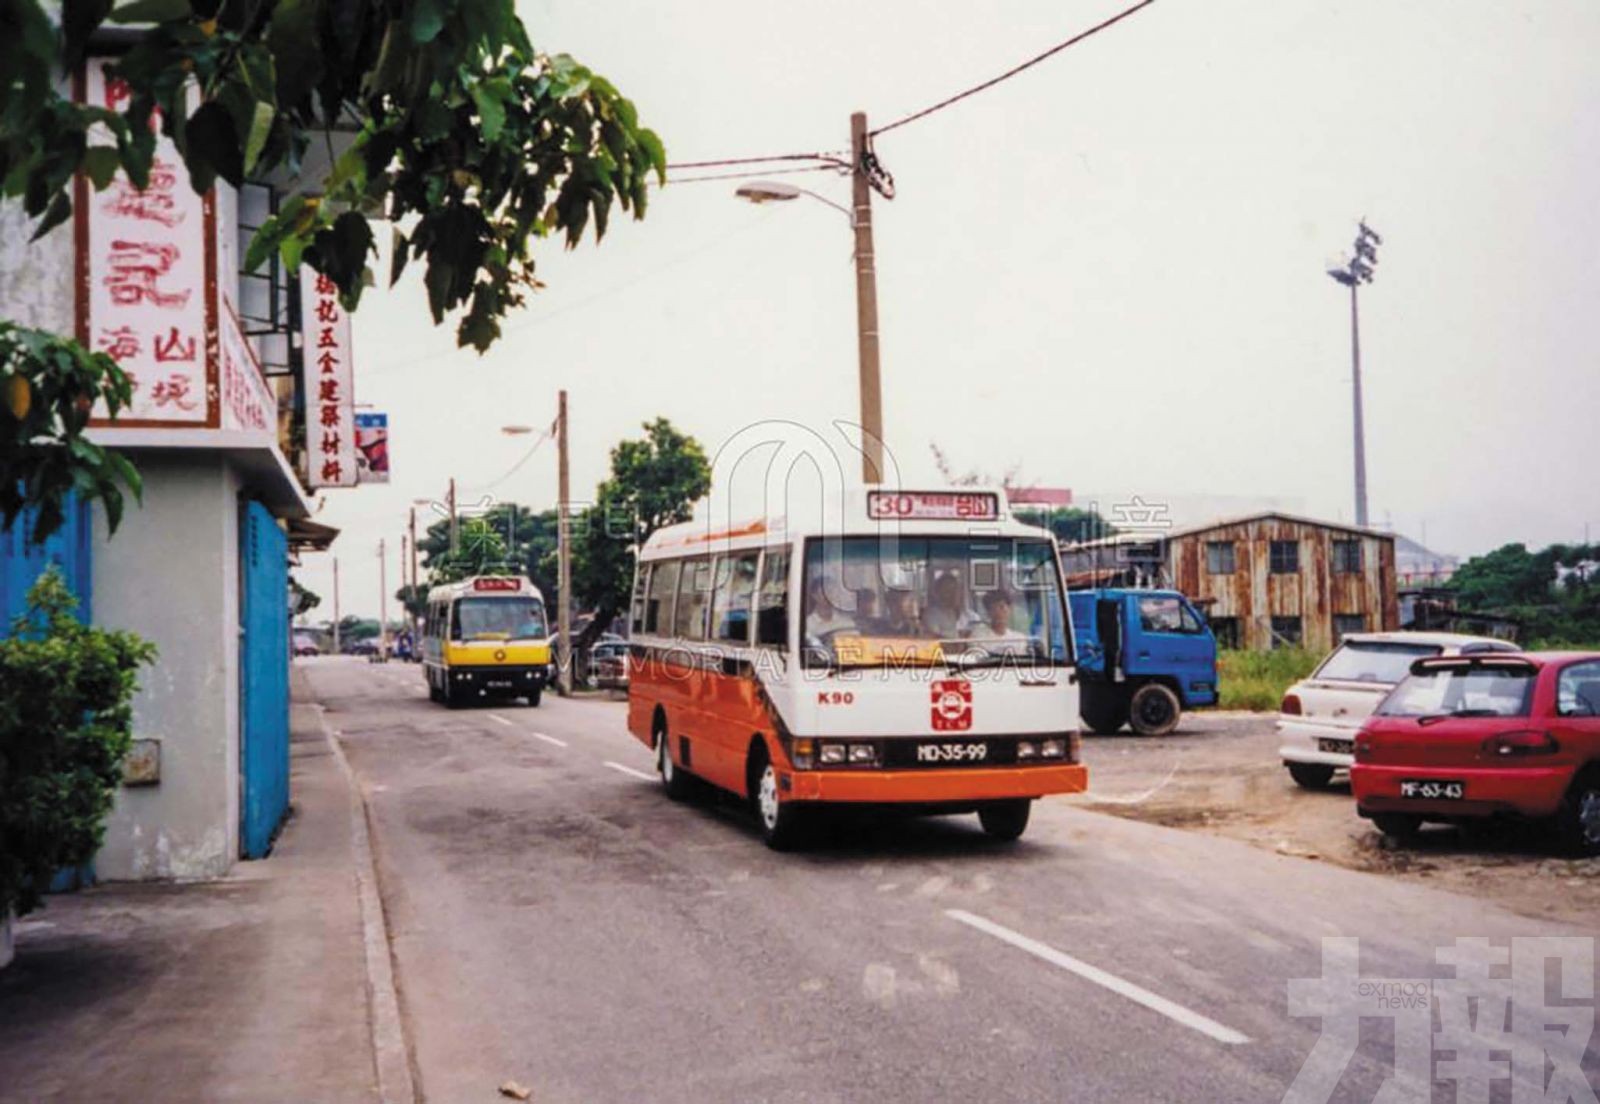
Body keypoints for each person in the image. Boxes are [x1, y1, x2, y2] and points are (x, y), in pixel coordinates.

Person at [922, 571, 975, 638]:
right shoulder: (932, 615)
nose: (953, 594)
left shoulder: (971, 615)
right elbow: (935, 638)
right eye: (947, 591)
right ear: (938, 593)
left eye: (955, 589)